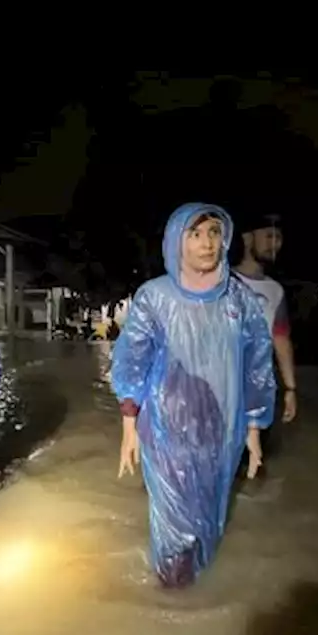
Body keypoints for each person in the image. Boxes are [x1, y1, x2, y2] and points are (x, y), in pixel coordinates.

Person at [111, 203, 276, 589]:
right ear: (176, 241)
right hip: (165, 430)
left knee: (209, 517)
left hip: (222, 429)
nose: (207, 244)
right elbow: (132, 361)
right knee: (173, 523)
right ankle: (172, 598)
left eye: (215, 233)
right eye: (196, 234)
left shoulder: (239, 300)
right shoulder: (154, 297)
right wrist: (129, 426)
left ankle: (195, 581)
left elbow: (257, 364)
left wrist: (253, 429)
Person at [232, 213, 297, 464]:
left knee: (254, 464)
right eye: (269, 236)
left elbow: (280, 337)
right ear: (248, 239)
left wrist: (290, 388)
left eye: (279, 237)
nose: (275, 244)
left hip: (257, 393)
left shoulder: (275, 290)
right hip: (223, 388)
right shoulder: (223, 282)